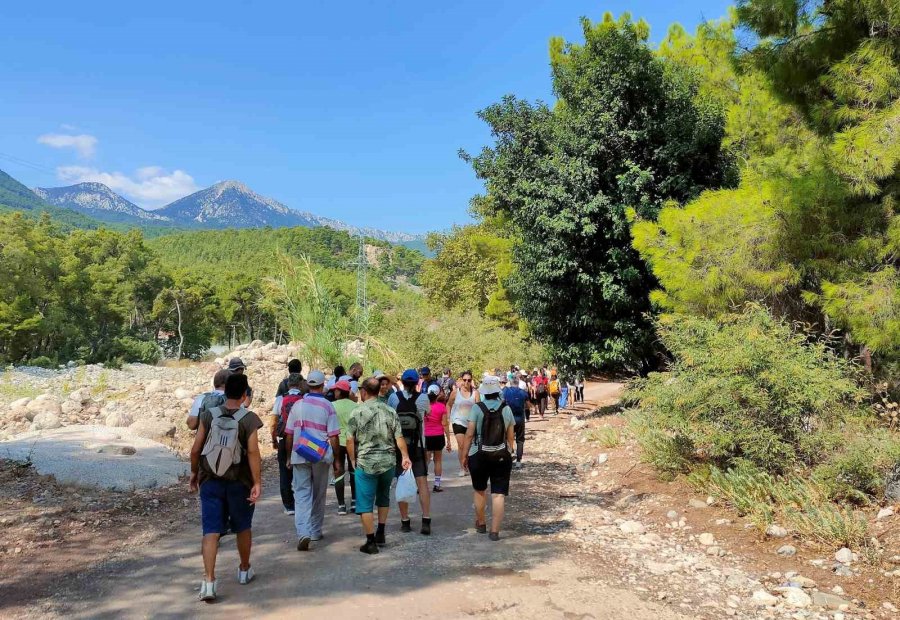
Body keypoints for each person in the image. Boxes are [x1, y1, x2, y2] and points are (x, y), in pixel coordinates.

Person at [189, 373, 263, 601]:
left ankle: (209, 581)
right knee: (242, 526)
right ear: (244, 395)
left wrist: (194, 473)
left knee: (211, 530)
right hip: (239, 482)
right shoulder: (249, 419)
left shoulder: (209, 415)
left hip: (210, 480)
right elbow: (252, 452)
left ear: (223, 391)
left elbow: (196, 448)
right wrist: (257, 482)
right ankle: (243, 569)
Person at [346, 377, 412, 554]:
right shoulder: (390, 411)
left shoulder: (357, 412)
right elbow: (399, 437)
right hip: (388, 462)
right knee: (383, 497)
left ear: (364, 392)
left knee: (365, 503)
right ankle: (381, 532)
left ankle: (370, 541)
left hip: (366, 463)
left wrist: (352, 460)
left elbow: (350, 439)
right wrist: (405, 456)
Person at [284, 370, 340, 551]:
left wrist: (288, 457)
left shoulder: (298, 405)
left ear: (307, 385)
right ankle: (315, 530)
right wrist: (337, 460)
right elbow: (333, 437)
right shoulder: (328, 406)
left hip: (300, 454)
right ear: (323, 385)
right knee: (319, 493)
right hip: (320, 456)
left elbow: (289, 435)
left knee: (301, 494)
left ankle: (303, 532)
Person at [462, 375, 515, 541]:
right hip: (500, 455)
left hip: (479, 455)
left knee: (479, 490)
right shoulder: (506, 408)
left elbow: (469, 434)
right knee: (498, 494)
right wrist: (509, 451)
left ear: (484, 391)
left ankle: (482, 523)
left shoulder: (477, 408)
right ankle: (495, 531)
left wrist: (464, 455)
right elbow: (510, 436)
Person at [387, 369, 433, 535]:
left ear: (403, 382)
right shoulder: (423, 398)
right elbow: (428, 414)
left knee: (402, 480)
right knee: (422, 483)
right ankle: (426, 519)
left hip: (400, 447)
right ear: (416, 383)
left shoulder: (393, 398)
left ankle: (405, 520)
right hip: (418, 446)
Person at [271, 373, 305, 515]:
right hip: (302, 439)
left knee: (284, 473)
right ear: (300, 384)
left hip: (285, 438)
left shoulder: (280, 399)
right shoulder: (304, 399)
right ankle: (302, 501)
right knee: (302, 471)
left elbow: (273, 422)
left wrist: (274, 439)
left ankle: (288, 505)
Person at [331, 379, 357, 514]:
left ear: (340, 391)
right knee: (354, 470)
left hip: (337, 442)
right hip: (353, 441)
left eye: (335, 390)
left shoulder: (332, 406)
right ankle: (354, 501)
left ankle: (341, 504)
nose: (334, 392)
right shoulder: (355, 406)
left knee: (338, 470)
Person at [447, 370, 479, 476]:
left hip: (471, 422)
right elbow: (448, 404)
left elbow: (479, 407)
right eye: (464, 380)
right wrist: (448, 416)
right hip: (458, 421)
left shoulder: (475, 393)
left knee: (468, 445)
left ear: (471, 380)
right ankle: (462, 468)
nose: (466, 382)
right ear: (461, 380)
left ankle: (468, 464)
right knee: (461, 445)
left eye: (469, 380)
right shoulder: (456, 392)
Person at [423, 384, 451, 492]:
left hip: (427, 436)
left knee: (426, 460)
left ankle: (422, 484)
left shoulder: (424, 406)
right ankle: (437, 484)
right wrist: (448, 439)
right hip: (438, 435)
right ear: (438, 394)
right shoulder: (441, 407)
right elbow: (444, 424)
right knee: (438, 460)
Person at [501, 375, 529, 468]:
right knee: (520, 440)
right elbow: (527, 403)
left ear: (510, 382)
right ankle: (518, 461)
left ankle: (508, 458)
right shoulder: (523, 392)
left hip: (509, 420)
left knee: (508, 439)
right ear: (518, 382)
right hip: (520, 419)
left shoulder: (505, 391)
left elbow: (501, 401)